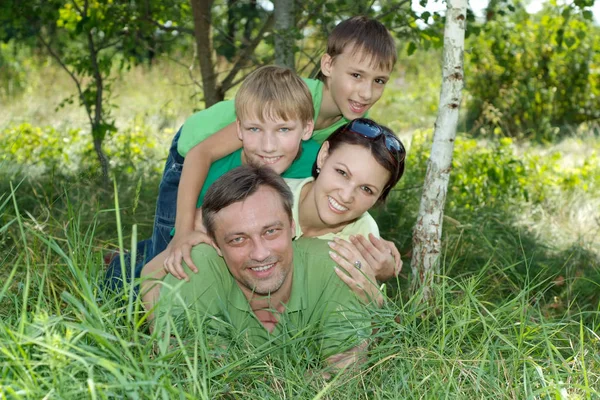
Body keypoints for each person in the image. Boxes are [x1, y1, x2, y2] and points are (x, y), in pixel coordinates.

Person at [156, 16, 398, 274]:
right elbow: (202, 153)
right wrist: (181, 232)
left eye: (379, 81)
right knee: (172, 246)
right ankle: (128, 274)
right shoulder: (293, 98)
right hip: (196, 154)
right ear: (328, 64)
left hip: (252, 163)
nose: (366, 92)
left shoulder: (350, 130)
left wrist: (375, 249)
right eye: (356, 75)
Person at [143, 118, 406, 312]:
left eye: (367, 189)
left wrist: (376, 289)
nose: (347, 195)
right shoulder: (265, 198)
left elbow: (369, 327)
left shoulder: (364, 238)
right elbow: (152, 272)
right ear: (324, 156)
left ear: (380, 197)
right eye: (342, 173)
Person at [105, 65, 317, 290]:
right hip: (209, 225)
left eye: (283, 130)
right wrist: (184, 234)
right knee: (168, 263)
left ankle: (131, 255)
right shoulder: (217, 178)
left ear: (306, 129)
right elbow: (190, 235)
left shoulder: (319, 159)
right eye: (254, 129)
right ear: (239, 129)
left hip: (254, 241)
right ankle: (120, 270)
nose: (268, 146)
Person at [153, 166, 370, 375]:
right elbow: (184, 368)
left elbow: (346, 370)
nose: (260, 253)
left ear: (292, 226)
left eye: (271, 232)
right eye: (238, 239)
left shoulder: (335, 265)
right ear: (216, 245)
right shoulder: (196, 265)